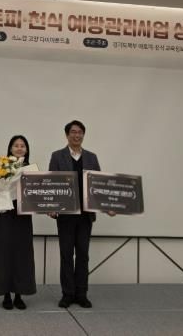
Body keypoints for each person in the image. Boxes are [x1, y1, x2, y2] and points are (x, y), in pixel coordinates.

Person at [48, 120, 114, 309]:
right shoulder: (57, 156)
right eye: (73, 132)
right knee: (66, 255)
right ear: (67, 135)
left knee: (83, 255)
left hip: (86, 215)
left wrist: (108, 206)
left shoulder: (92, 157)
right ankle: (67, 294)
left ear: (83, 135)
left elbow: (99, 186)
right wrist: (51, 206)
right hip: (66, 215)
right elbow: (52, 182)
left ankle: (81, 294)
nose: (76, 135)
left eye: (80, 132)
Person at [0, 135, 37, 309]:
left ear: (27, 149)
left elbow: (38, 192)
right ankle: (6, 295)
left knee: (22, 254)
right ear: (10, 148)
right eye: (16, 145)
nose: (19, 148)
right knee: (4, 253)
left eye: (22, 145)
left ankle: (19, 295)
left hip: (23, 215)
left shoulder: (31, 169)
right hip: (6, 214)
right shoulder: (2, 166)